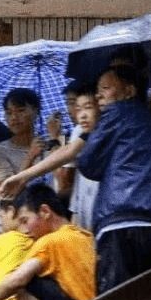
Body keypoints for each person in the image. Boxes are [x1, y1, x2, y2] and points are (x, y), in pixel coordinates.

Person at [76, 63, 151, 293]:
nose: (98, 95)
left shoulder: (116, 112)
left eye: (105, 88)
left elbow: (87, 163)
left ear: (129, 91)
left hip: (122, 220)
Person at [0, 87, 48, 240]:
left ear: (36, 112)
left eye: (20, 110)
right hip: (5, 231)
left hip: (39, 230)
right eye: (9, 112)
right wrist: (30, 158)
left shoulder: (47, 149)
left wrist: (56, 140)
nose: (14, 117)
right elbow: (8, 196)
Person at [53, 80, 100, 231]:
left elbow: (64, 181)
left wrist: (55, 140)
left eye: (75, 103)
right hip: (83, 206)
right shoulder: (79, 131)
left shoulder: (79, 131)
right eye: (72, 104)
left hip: (89, 208)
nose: (71, 110)